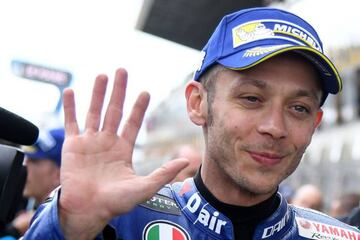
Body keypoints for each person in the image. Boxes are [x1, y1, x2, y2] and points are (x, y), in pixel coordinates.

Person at [23, 7, 360, 240]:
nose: (275, 126)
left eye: (299, 108)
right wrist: (70, 227)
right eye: (252, 99)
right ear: (198, 103)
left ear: (316, 122)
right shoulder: (116, 219)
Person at [1, 127, 64, 238]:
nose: (25, 166)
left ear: (59, 174)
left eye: (34, 161)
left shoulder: (67, 229)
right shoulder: (21, 207)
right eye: (26, 159)